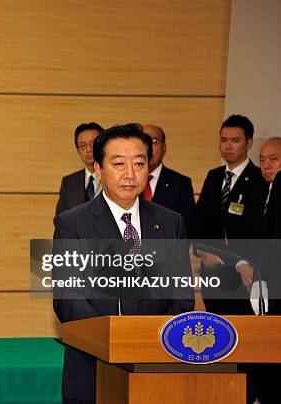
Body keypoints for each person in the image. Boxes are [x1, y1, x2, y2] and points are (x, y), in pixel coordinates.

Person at [53, 123, 194, 404]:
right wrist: (114, 340)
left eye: (139, 163)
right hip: (94, 367)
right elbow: (68, 297)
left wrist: (155, 344)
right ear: (98, 168)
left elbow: (181, 296)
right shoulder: (73, 223)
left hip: (156, 365)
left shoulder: (169, 221)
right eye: (118, 163)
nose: (130, 174)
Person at [194, 114, 268, 315]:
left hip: (243, 275)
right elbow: (200, 220)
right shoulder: (214, 176)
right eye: (224, 140)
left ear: (249, 143)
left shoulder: (259, 180)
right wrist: (201, 250)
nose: (228, 146)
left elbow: (254, 232)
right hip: (212, 273)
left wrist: (232, 260)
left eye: (235, 141)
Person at [141, 124, 196, 236]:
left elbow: (187, 226)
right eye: (144, 141)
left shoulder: (181, 184)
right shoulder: (127, 181)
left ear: (164, 148)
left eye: (154, 141)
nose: (149, 147)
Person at [55, 122, 104, 215]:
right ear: (78, 151)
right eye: (83, 145)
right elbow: (60, 217)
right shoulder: (69, 182)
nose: (88, 149)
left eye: (93, 144)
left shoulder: (115, 177)